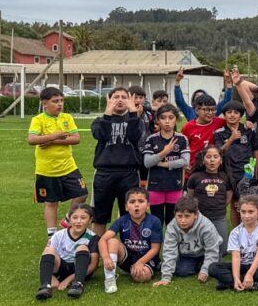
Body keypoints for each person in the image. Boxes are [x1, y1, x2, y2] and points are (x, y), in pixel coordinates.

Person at [27, 86, 87, 236]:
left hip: (68, 167)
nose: (60, 104)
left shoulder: (67, 118)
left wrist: (52, 140)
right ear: (44, 104)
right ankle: (52, 235)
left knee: (82, 193)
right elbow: (32, 139)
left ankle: (67, 219)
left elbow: (76, 138)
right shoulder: (38, 120)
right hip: (46, 169)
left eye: (61, 100)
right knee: (51, 202)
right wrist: (56, 135)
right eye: (55, 101)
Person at [90, 87, 145, 234]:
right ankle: (99, 251)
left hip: (129, 173)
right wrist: (107, 114)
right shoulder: (99, 121)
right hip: (104, 173)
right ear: (108, 100)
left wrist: (133, 113)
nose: (120, 100)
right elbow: (102, 135)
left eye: (124, 97)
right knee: (100, 216)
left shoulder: (135, 120)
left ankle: (128, 250)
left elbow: (135, 136)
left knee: (130, 214)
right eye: (116, 97)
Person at [98, 188, 163, 294]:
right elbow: (102, 240)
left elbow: (155, 248)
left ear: (147, 205)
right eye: (132, 202)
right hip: (127, 257)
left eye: (141, 201)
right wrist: (106, 258)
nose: (136, 205)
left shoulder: (154, 221)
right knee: (112, 241)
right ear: (126, 207)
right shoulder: (122, 220)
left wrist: (140, 262)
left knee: (140, 277)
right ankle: (109, 280)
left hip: (146, 258)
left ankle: (142, 269)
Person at [154, 197, 224, 287]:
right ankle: (199, 265)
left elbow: (211, 250)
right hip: (190, 254)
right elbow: (169, 251)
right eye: (179, 216)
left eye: (187, 216)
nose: (183, 220)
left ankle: (204, 266)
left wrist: (205, 270)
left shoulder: (207, 226)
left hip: (212, 250)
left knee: (213, 270)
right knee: (181, 271)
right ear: (174, 214)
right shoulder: (171, 227)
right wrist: (166, 277)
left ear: (196, 214)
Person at [35, 203, 99, 300]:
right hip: (62, 267)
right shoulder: (58, 235)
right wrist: (52, 278)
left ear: (90, 220)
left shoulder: (93, 237)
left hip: (80, 270)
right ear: (69, 219)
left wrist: (69, 280)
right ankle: (45, 286)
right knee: (49, 249)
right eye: (75, 217)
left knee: (82, 247)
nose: (78, 221)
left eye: (83, 218)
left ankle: (78, 284)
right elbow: (46, 257)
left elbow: (93, 265)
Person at [210, 194, 258, 291]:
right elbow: (236, 257)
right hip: (241, 266)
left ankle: (228, 284)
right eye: (243, 212)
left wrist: (250, 274)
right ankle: (252, 284)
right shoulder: (235, 232)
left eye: (251, 212)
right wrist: (236, 277)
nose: (246, 216)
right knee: (213, 267)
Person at [142, 104, 190, 225]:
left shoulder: (182, 139)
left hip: (175, 186)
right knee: (156, 222)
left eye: (171, 117)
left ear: (176, 119)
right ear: (157, 120)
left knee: (173, 222)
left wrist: (162, 164)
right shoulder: (151, 139)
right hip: (155, 187)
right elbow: (147, 163)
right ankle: (157, 244)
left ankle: (171, 245)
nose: (167, 121)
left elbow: (185, 161)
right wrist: (164, 152)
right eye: (163, 118)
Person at [212, 101, 258, 214]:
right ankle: (236, 231)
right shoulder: (219, 133)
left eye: (236, 112)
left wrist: (256, 171)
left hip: (246, 172)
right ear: (224, 115)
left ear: (241, 115)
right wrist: (231, 139)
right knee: (235, 205)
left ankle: (249, 229)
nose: (232, 115)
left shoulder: (248, 130)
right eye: (229, 112)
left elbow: (256, 150)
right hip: (229, 172)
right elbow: (219, 152)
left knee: (248, 204)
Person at [185, 145, 233, 243]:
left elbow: (229, 195)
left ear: (221, 161)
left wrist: (221, 205)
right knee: (200, 244)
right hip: (200, 217)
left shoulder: (225, 177)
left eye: (215, 157)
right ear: (203, 160)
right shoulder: (195, 177)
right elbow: (190, 196)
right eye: (208, 157)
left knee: (222, 248)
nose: (212, 160)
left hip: (219, 217)